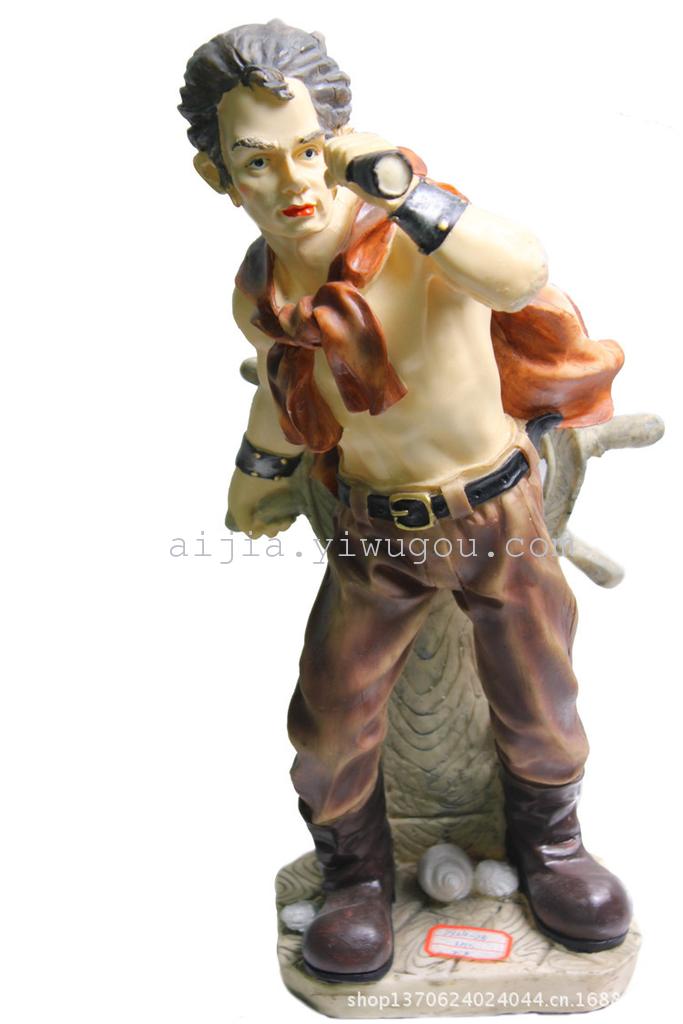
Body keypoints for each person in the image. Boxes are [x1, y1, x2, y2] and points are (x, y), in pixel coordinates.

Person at [179, 19, 631, 983]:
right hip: (373, 527)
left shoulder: (420, 242)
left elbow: (520, 270)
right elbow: (283, 386)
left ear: (341, 142)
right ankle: (354, 874)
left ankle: (551, 846)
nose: (293, 183)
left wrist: (407, 193)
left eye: (309, 149)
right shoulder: (262, 291)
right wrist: (255, 475)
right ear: (217, 177)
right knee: (330, 710)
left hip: (495, 514)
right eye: (256, 162)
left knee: (539, 692)